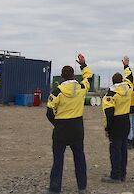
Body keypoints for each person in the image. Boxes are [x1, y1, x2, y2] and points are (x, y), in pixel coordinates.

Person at [45, 54, 93, 194]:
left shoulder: (57, 91)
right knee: (79, 157)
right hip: (77, 127)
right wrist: (83, 64)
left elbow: (49, 111)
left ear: (62, 76)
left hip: (61, 127)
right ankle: (82, 186)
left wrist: (56, 123)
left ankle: (55, 188)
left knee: (58, 159)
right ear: (73, 75)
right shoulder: (81, 87)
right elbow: (88, 77)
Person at [101, 56, 133, 183]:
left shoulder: (110, 94)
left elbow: (109, 114)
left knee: (115, 149)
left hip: (115, 122)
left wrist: (107, 128)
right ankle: (123, 173)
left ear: (113, 82)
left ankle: (115, 175)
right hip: (126, 120)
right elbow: (130, 77)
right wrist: (126, 65)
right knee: (123, 148)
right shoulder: (128, 88)